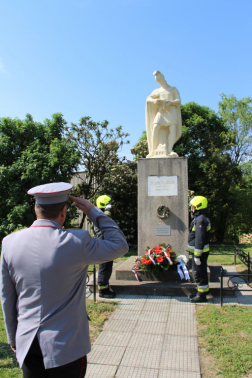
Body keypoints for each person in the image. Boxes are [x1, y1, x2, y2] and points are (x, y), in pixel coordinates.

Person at [0, 182, 128, 377]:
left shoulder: (9, 243)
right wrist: (93, 211)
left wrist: (12, 337)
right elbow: (119, 245)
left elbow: (7, 296)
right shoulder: (77, 242)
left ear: (36, 209)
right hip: (67, 345)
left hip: (28, 342)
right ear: (64, 211)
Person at [146, 70, 182, 158]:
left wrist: (170, 102)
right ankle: (153, 151)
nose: (159, 82)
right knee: (155, 127)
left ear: (163, 78)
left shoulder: (173, 89)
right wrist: (155, 101)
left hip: (171, 111)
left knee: (172, 128)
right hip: (161, 111)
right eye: (158, 81)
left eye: (160, 80)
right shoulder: (157, 91)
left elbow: (178, 101)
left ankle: (169, 149)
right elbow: (148, 99)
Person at [187, 196, 211, 303]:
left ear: (198, 206)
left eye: (192, 206)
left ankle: (201, 296)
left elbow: (200, 238)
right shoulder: (200, 218)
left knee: (199, 273)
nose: (191, 208)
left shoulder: (200, 220)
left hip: (200, 253)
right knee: (201, 272)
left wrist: (197, 255)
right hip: (200, 252)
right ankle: (202, 293)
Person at [95, 194, 116, 298]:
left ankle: (105, 287)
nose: (111, 205)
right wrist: (107, 211)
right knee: (104, 267)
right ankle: (102, 291)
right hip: (103, 243)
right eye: (109, 203)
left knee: (108, 267)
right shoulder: (100, 215)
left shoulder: (101, 214)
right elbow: (104, 221)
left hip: (107, 243)